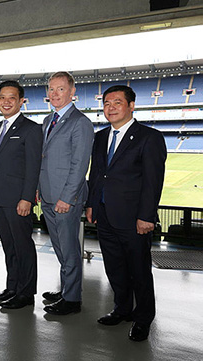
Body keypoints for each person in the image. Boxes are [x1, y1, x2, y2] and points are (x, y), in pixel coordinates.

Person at [86, 85, 166, 341]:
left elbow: (153, 182)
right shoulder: (100, 138)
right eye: (107, 103)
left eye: (117, 102)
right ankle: (122, 308)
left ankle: (143, 318)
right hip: (105, 215)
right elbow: (96, 175)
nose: (110, 107)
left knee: (139, 270)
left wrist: (146, 216)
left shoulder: (149, 137)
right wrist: (91, 204)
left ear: (131, 106)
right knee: (115, 267)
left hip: (134, 219)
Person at [39, 71, 94, 315]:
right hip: (49, 195)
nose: (54, 93)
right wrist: (40, 189)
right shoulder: (47, 121)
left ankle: (72, 299)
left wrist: (67, 197)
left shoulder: (80, 123)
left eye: (60, 89)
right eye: (51, 89)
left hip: (65, 199)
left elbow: (80, 165)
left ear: (72, 92)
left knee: (70, 248)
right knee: (60, 247)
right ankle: (66, 289)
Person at [0, 81, 43, 309]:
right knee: (9, 246)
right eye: (3, 97)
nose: (7, 101)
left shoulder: (30, 129)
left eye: (12, 97)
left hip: (18, 200)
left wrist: (27, 198)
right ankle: (12, 287)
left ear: (21, 101)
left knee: (23, 247)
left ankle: (26, 292)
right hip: (0, 199)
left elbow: (33, 167)